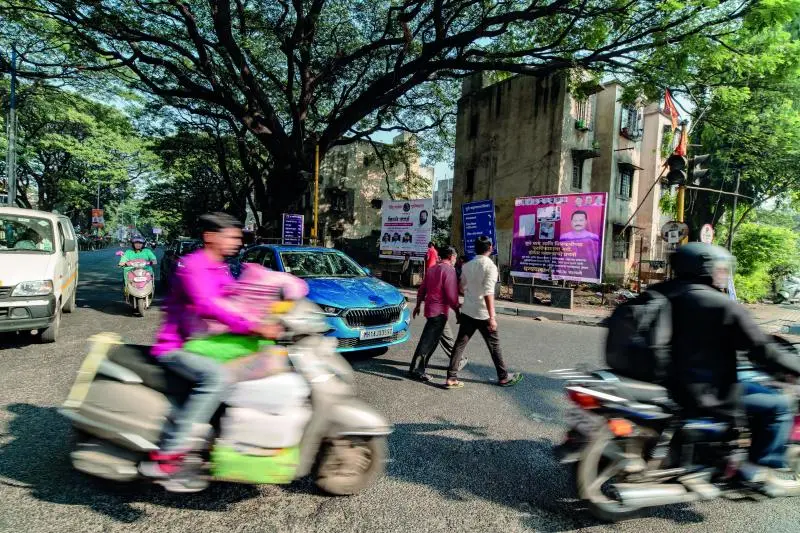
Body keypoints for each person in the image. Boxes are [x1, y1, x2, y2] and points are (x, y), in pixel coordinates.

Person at [140, 213, 281, 492]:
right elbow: (208, 306)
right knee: (216, 378)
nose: (237, 242)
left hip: (210, 342)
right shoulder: (193, 266)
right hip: (178, 346)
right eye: (232, 236)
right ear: (210, 237)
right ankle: (169, 456)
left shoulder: (221, 268)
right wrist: (252, 326)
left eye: (238, 237)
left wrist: (273, 307)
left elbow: (234, 298)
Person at [659, 243, 800, 491]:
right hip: (704, 390)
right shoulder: (721, 304)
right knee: (777, 405)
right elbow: (763, 350)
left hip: (665, 382)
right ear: (705, 268)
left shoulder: (661, 292)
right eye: (720, 269)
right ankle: (754, 470)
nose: (724, 275)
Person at [445, 236, 522, 389]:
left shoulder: (467, 265)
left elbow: (461, 288)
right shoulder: (490, 267)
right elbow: (488, 293)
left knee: (460, 344)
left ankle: (451, 377)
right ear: (490, 248)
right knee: (494, 345)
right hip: (483, 313)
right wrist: (492, 317)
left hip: (468, 310)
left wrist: (470, 293)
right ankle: (503, 377)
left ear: (475, 249)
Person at [408, 247, 466, 382]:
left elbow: (422, 289)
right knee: (428, 343)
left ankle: (459, 360)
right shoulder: (449, 270)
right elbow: (452, 296)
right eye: (455, 257)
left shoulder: (432, 269)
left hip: (431, 310)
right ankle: (416, 370)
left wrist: (417, 306)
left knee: (440, 338)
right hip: (439, 312)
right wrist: (457, 312)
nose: (455, 260)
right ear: (451, 256)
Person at [558, 210, 601, 279]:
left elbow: (596, 258)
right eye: (575, 221)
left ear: (586, 222)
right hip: (567, 273)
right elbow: (561, 257)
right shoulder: (564, 237)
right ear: (571, 222)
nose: (578, 223)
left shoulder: (593, 238)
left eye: (581, 220)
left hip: (588, 273)